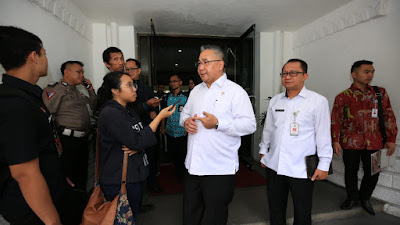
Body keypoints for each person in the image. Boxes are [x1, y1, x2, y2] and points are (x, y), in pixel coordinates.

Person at [180, 45, 256, 225]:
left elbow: (250, 125)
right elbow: (185, 112)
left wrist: (219, 124)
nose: (200, 67)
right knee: (190, 213)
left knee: (214, 216)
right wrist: (186, 121)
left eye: (206, 62)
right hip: (193, 165)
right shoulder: (196, 90)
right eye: (199, 63)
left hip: (219, 168)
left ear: (220, 64)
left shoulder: (235, 92)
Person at [0, 26, 64, 225]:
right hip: (33, 209)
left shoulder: (29, 96)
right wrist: (52, 221)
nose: (46, 59)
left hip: (49, 190)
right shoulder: (15, 104)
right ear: (33, 57)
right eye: (44, 54)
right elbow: (25, 173)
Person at [259, 59, 333, 225]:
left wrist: (324, 164)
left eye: (293, 73)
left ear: (305, 76)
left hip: (301, 168)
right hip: (275, 165)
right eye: (284, 73)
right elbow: (269, 129)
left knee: (302, 211)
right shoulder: (275, 101)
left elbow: (323, 135)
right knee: (275, 209)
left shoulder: (317, 101)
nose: (287, 77)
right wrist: (263, 149)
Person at [96, 71, 175, 217]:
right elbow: (137, 141)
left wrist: (138, 144)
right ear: (115, 91)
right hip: (118, 180)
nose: (135, 89)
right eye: (129, 85)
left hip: (132, 176)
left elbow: (140, 138)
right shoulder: (111, 113)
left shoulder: (128, 110)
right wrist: (159, 118)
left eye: (134, 85)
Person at [331, 60, 398, 215]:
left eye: (372, 72)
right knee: (351, 171)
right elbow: (336, 120)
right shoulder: (343, 97)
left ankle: (365, 198)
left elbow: (388, 115)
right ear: (354, 74)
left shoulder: (380, 93)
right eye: (366, 72)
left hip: (375, 141)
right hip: (350, 142)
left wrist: (391, 139)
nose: (370, 75)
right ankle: (352, 197)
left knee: (374, 171)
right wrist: (335, 140)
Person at [42, 60, 96, 224]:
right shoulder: (56, 90)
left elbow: (93, 105)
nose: (82, 75)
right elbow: (46, 116)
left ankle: (79, 215)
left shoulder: (78, 91)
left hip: (82, 140)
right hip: (66, 142)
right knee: (68, 180)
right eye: (78, 72)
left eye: (82, 72)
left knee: (81, 179)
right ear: (67, 72)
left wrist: (90, 90)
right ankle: (68, 217)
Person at [125, 58, 163, 194]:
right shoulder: (123, 88)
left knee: (151, 159)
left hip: (147, 128)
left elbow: (153, 107)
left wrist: (154, 111)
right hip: (132, 130)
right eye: (127, 69)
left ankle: (152, 184)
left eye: (132, 69)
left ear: (139, 71)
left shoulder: (146, 88)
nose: (129, 72)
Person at [160, 74, 189, 181]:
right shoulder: (167, 97)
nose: (172, 83)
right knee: (174, 155)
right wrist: (162, 127)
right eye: (171, 81)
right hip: (170, 131)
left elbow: (191, 114)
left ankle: (184, 175)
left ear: (180, 82)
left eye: (175, 81)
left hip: (182, 131)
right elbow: (163, 114)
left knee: (183, 154)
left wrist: (188, 129)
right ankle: (177, 173)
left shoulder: (186, 97)